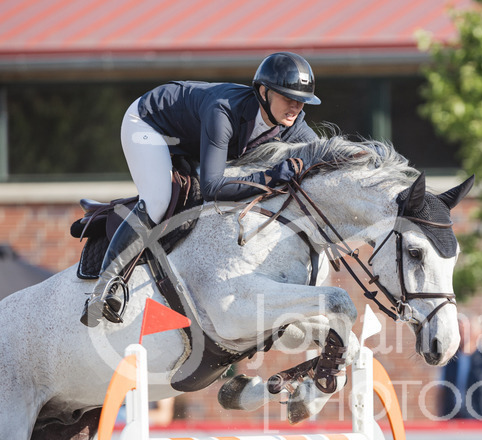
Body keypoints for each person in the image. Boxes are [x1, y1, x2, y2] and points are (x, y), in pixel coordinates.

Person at [82, 52, 321, 327]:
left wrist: (362, 154)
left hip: (190, 136)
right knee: (158, 200)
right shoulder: (223, 111)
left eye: (301, 102)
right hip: (148, 124)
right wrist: (272, 175)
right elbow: (212, 188)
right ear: (264, 92)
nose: (295, 107)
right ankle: (104, 287)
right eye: (288, 98)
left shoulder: (291, 123)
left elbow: (322, 153)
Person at [438, 316, 482, 420]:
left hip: (481, 424)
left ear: (478, 333)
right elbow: (440, 392)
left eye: (468, 330)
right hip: (452, 423)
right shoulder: (449, 358)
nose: (463, 334)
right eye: (460, 330)